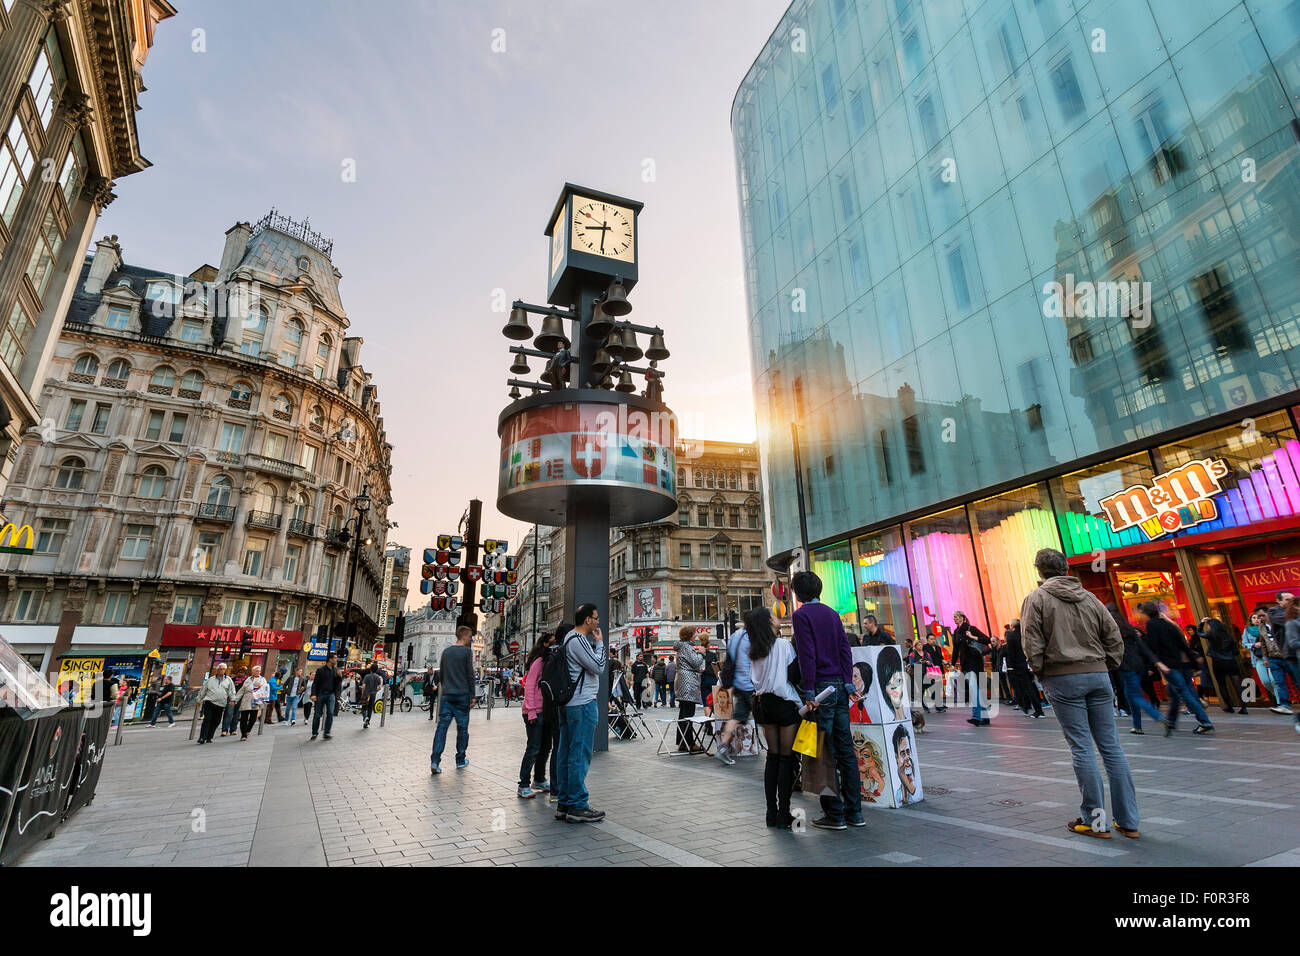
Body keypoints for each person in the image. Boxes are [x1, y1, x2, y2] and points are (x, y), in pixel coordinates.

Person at [1021, 548, 1140, 839]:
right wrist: (1107, 664)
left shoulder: (1036, 599)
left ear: (1039, 571)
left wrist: (1040, 671)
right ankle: (1128, 821)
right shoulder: (1090, 597)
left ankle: (1095, 820)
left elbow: (1031, 642)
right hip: (1098, 675)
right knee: (1111, 748)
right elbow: (1113, 636)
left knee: (1082, 747)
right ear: (1065, 567)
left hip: (1062, 677)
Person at [790, 570, 864, 831]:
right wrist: (846, 681)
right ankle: (855, 811)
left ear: (798, 594)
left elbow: (806, 655)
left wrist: (809, 690)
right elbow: (845, 648)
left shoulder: (801, 616)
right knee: (846, 750)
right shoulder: (832, 614)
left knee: (824, 752)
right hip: (839, 689)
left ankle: (835, 814)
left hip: (820, 689)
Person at [555, 604, 608, 823]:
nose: (597, 622)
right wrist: (600, 644)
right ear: (587, 620)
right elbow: (599, 666)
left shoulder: (568, 638)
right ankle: (578, 805)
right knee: (579, 753)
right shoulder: (578, 640)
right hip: (582, 703)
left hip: (570, 704)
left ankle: (565, 802)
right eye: (595, 618)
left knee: (566, 752)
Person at [748, 606, 800, 827]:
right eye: (774, 616)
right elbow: (794, 675)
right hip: (785, 703)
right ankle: (784, 812)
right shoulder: (784, 645)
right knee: (786, 759)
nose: (778, 618)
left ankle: (771, 812)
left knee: (773, 757)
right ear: (769, 623)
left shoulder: (754, 651)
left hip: (764, 704)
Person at [1137, 603, 1214, 735]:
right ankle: (1171, 721)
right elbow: (1183, 645)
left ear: (1146, 613)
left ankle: (1204, 721)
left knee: (1184, 693)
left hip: (1169, 666)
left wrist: (1155, 662)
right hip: (1181, 664)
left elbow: (1153, 647)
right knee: (1175, 693)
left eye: (1141, 612)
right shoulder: (1169, 624)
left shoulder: (1152, 625)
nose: (1140, 615)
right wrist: (1194, 663)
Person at [1107, 604, 1163, 734]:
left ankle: (1158, 717)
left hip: (1126, 666)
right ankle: (1137, 726)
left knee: (1135, 695)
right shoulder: (1129, 628)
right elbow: (1143, 647)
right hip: (1138, 664)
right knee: (1130, 694)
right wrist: (1156, 662)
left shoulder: (1112, 629)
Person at [431, 627, 476, 773]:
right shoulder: (467, 652)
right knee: (462, 728)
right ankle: (460, 759)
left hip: (447, 694)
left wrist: (447, 687)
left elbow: (442, 674)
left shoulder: (446, 652)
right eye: (470, 636)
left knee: (442, 728)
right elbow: (470, 674)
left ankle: (435, 761)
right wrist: (472, 696)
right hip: (462, 694)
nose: (471, 639)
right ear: (464, 635)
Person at [716, 619, 755, 765]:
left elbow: (729, 659)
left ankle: (723, 747)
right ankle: (774, 751)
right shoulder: (752, 638)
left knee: (736, 717)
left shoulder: (734, 637)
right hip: (750, 684)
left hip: (738, 683)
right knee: (766, 720)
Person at [518, 635, 552, 798]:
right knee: (533, 748)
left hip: (545, 711)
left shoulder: (548, 661)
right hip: (534, 711)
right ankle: (523, 784)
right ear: (545, 644)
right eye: (551, 642)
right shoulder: (539, 661)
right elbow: (530, 686)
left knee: (545, 747)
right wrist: (531, 710)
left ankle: (539, 779)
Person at [1200, 617, 1247, 715]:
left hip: (1218, 662)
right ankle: (1243, 707)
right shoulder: (1229, 636)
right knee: (1237, 684)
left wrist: (1201, 623)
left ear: (1212, 626)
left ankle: (1229, 706)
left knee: (1222, 685)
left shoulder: (1211, 635)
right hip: (1230, 662)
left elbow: (1199, 633)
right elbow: (1236, 652)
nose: (1207, 627)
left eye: (1208, 625)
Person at [952, 611, 992, 726]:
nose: (954, 619)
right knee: (976, 691)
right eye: (953, 617)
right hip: (965, 664)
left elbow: (987, 640)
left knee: (974, 691)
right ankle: (985, 718)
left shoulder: (971, 628)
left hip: (975, 663)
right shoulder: (956, 632)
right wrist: (953, 663)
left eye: (956, 617)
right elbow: (956, 650)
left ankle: (976, 717)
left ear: (962, 618)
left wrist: (972, 636)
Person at [673, 627, 705, 752]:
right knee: (688, 714)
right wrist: (701, 653)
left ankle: (682, 742)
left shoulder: (682, 647)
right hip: (688, 683)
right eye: (694, 634)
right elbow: (696, 662)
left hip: (684, 682)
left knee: (683, 714)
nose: (695, 636)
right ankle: (689, 743)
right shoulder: (687, 647)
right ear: (689, 635)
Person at [1003, 619, 1043, 718]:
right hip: (1030, 662)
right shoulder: (1026, 634)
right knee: (1031, 687)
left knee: (1024, 688)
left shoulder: (1011, 636)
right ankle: (1032, 707)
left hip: (1018, 665)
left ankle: (1035, 710)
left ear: (1012, 626)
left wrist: (1011, 666)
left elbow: (1011, 652)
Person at [1242, 610, 1278, 705]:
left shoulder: (1266, 628)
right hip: (1258, 658)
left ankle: (1280, 701)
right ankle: (1277, 695)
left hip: (1270, 657)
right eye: (1254, 618)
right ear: (1250, 620)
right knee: (1265, 681)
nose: (1256, 620)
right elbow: (1244, 644)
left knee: (1273, 680)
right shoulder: (1247, 630)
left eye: (1258, 617)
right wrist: (1253, 645)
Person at [197, 664, 235, 744]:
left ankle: (209, 737)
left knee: (216, 721)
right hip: (209, 702)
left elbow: (231, 691)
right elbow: (203, 690)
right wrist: (199, 699)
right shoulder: (211, 679)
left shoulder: (228, 680)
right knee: (207, 719)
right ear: (217, 670)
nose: (222, 670)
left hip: (221, 704)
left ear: (225, 670)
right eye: (220, 669)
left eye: (224, 669)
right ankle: (202, 737)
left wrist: (233, 699)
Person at [310, 652, 340, 740]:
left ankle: (327, 732)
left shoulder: (335, 670)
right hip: (321, 694)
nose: (336, 659)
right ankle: (314, 733)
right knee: (317, 714)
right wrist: (313, 694)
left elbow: (338, 684)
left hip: (331, 695)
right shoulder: (321, 670)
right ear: (330, 659)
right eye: (335, 658)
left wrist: (339, 677)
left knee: (330, 713)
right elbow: (315, 683)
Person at [232, 665, 267, 741]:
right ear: (253, 672)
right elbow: (242, 691)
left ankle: (248, 730)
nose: (258, 672)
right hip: (246, 700)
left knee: (253, 719)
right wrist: (235, 700)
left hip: (255, 701)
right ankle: (243, 735)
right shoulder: (248, 679)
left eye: (259, 671)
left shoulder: (262, 679)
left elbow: (266, 688)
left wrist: (260, 686)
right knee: (243, 719)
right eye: (257, 671)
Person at [921, 634, 947, 712]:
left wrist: (944, 662)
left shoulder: (938, 648)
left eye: (934, 639)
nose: (933, 640)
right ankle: (937, 705)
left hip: (938, 669)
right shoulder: (925, 647)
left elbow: (941, 658)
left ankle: (939, 704)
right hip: (929, 670)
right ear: (927, 640)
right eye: (931, 639)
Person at [221, 667, 245, 737]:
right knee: (229, 713)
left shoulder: (245, 681)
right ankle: (224, 730)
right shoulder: (232, 679)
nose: (241, 674)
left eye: (242, 672)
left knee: (236, 714)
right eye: (239, 672)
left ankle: (233, 730)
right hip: (231, 698)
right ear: (237, 673)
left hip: (240, 699)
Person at [698, 634, 718, 716]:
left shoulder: (699, 654)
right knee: (715, 701)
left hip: (704, 679)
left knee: (706, 703)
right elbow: (717, 668)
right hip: (713, 680)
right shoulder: (713, 655)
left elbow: (699, 668)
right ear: (707, 644)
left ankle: (708, 723)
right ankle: (717, 720)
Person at [361, 663, 383, 729]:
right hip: (373, 694)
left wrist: (363, 693)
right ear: (376, 670)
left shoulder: (367, 676)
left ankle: (365, 717)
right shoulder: (378, 677)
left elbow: (363, 686)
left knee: (364, 708)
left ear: (370, 669)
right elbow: (379, 687)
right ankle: (367, 722)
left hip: (366, 694)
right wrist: (375, 690)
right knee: (370, 708)